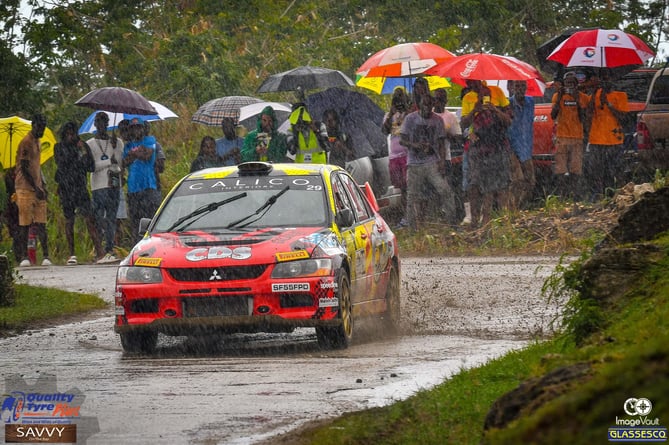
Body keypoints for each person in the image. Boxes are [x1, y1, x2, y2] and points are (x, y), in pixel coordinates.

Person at [400, 93, 458, 230]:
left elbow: (441, 142)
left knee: (445, 190)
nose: (427, 107)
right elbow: (402, 139)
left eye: (429, 104)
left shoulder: (437, 120)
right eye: (424, 104)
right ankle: (412, 227)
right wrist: (416, 145)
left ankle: (452, 223)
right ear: (419, 104)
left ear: (432, 105)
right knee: (412, 196)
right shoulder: (410, 119)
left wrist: (442, 161)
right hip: (414, 163)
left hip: (432, 161)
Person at [460, 80, 511, 225]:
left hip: (498, 145)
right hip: (478, 147)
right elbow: (463, 123)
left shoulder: (497, 92)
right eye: (471, 84)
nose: (474, 87)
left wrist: (494, 109)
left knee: (501, 184)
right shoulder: (468, 98)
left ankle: (503, 218)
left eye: (476, 83)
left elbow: (508, 120)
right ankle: (476, 219)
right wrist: (475, 109)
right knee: (476, 184)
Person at [54, 121, 104, 265]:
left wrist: (84, 152)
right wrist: (76, 156)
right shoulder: (59, 147)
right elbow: (62, 163)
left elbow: (91, 167)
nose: (71, 136)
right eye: (68, 134)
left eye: (73, 133)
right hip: (66, 189)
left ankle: (100, 251)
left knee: (90, 218)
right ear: (64, 135)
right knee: (69, 220)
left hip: (80, 188)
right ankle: (71, 254)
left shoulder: (82, 146)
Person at [584, 68, 629, 199]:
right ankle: (598, 194)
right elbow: (588, 113)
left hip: (613, 139)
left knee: (613, 169)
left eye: (607, 77)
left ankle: (613, 194)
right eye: (603, 78)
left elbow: (624, 117)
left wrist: (608, 104)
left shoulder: (620, 95)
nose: (605, 80)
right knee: (596, 170)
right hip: (597, 139)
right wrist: (594, 95)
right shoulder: (596, 93)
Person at [86, 112, 124, 264]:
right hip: (98, 186)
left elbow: (119, 164)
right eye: (99, 121)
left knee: (112, 218)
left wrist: (116, 147)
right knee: (99, 218)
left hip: (113, 183)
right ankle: (99, 249)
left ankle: (110, 248)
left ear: (108, 123)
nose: (102, 124)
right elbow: (92, 166)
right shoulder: (90, 144)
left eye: (105, 121)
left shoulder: (117, 141)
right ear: (95, 124)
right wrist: (109, 160)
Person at [14, 113, 51, 267]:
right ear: (33, 126)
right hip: (24, 188)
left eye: (43, 128)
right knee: (25, 223)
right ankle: (24, 257)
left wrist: (42, 185)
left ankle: (46, 256)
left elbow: (36, 167)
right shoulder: (26, 142)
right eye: (40, 127)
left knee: (41, 222)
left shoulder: (37, 141)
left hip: (37, 188)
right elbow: (24, 167)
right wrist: (35, 187)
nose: (41, 130)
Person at [551, 71, 590, 199]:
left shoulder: (583, 97)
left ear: (577, 84)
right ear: (563, 84)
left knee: (576, 168)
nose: (570, 86)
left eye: (573, 83)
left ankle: (575, 194)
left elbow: (583, 117)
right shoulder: (557, 96)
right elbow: (553, 115)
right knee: (560, 168)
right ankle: (562, 195)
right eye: (568, 83)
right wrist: (560, 97)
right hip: (562, 136)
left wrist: (577, 99)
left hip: (577, 136)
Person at [122, 117, 161, 244]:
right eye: (133, 128)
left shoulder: (150, 140)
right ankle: (136, 246)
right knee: (136, 221)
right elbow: (124, 162)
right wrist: (137, 152)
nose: (136, 130)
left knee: (151, 219)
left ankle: (153, 244)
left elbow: (147, 156)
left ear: (143, 128)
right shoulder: (128, 145)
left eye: (138, 127)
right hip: (133, 188)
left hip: (148, 186)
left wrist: (134, 154)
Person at [383, 86, 411, 225]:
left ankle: (408, 215)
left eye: (401, 98)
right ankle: (403, 215)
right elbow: (384, 130)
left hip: (407, 154)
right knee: (399, 187)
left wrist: (406, 110)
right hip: (394, 156)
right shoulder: (390, 114)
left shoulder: (410, 114)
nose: (399, 102)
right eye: (396, 99)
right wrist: (391, 113)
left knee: (408, 187)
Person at [507, 80, 536, 209]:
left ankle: (519, 207)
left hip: (526, 146)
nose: (519, 88)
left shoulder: (531, 101)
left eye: (522, 85)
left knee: (530, 181)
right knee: (517, 179)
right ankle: (511, 209)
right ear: (512, 87)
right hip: (512, 146)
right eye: (517, 86)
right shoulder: (508, 103)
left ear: (526, 87)